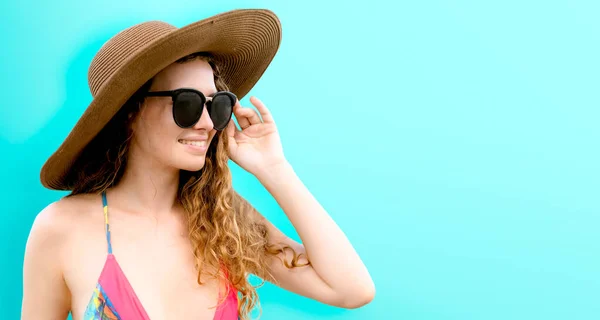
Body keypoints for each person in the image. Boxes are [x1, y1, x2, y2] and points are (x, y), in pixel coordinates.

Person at [21, 8, 375, 320]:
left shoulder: (222, 219)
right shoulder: (62, 229)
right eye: (187, 104)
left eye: (217, 104)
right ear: (129, 113)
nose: (208, 123)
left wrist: (275, 170)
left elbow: (351, 289)